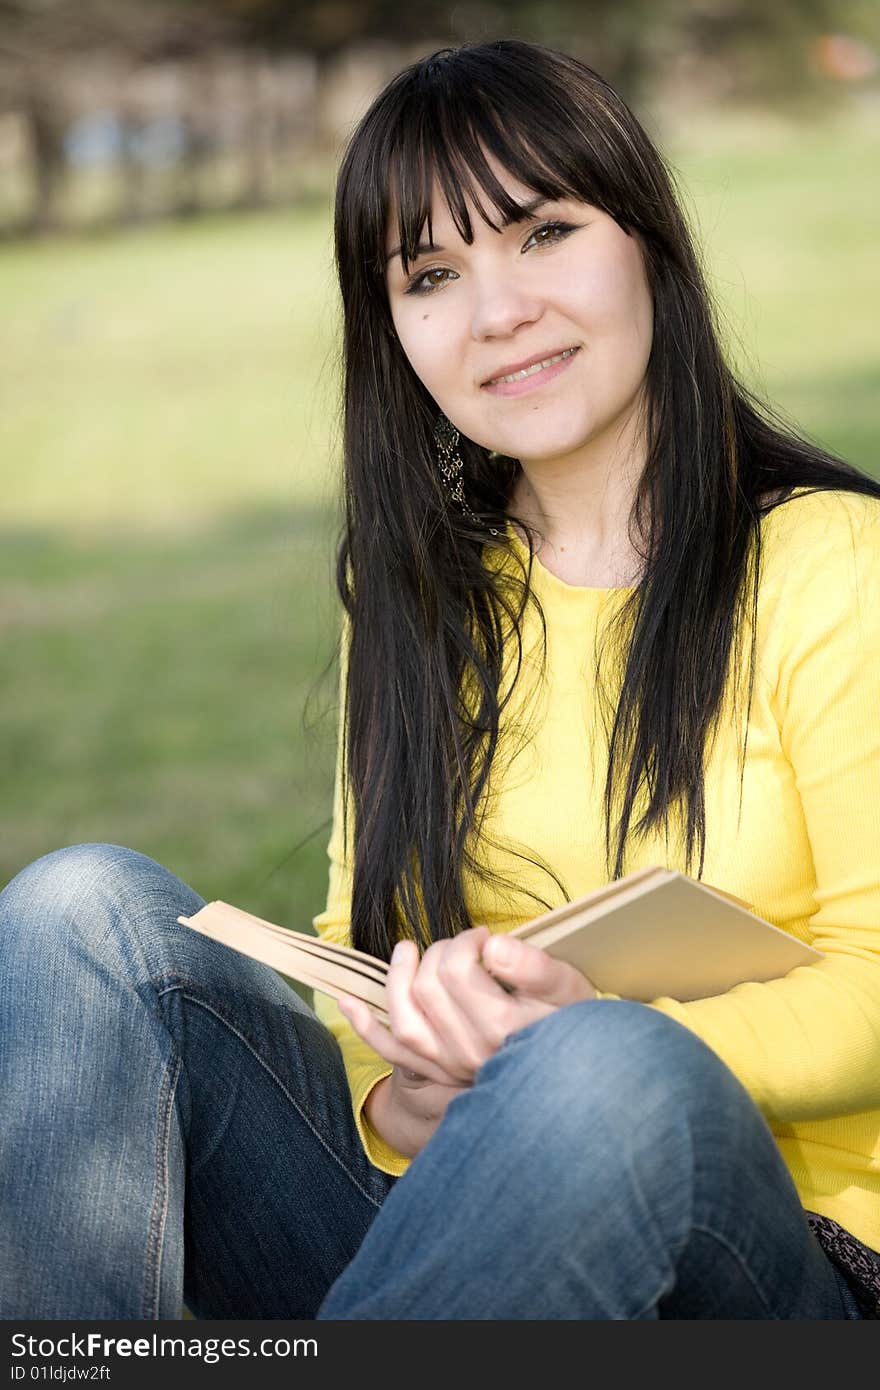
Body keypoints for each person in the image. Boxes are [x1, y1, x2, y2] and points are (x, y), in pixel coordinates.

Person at [1, 40, 879, 1322]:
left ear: (648, 239)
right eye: (431, 274)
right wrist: (404, 1088)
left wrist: (567, 1042)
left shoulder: (831, 562)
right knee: (79, 911)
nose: (495, 312)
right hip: (455, 1218)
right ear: (394, 330)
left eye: (541, 233)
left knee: (598, 1068)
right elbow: (368, 952)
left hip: (786, 1261)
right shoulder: (418, 592)